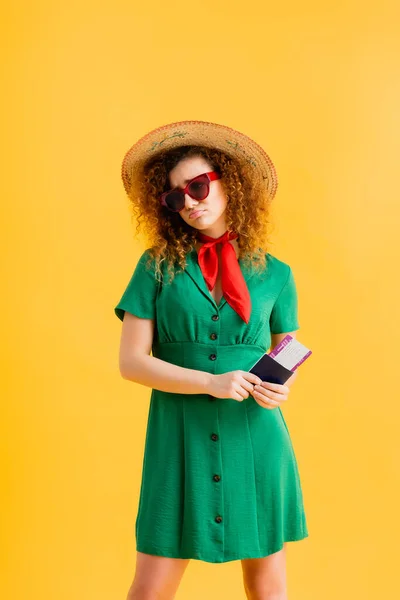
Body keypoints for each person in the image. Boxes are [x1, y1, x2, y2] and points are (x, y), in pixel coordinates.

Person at [114, 120, 309, 600]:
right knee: (149, 589)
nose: (190, 201)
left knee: (269, 589)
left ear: (230, 183)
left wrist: (279, 387)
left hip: (256, 437)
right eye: (175, 196)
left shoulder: (276, 274)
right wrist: (209, 381)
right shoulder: (155, 267)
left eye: (198, 186)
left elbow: (289, 350)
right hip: (178, 436)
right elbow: (132, 362)